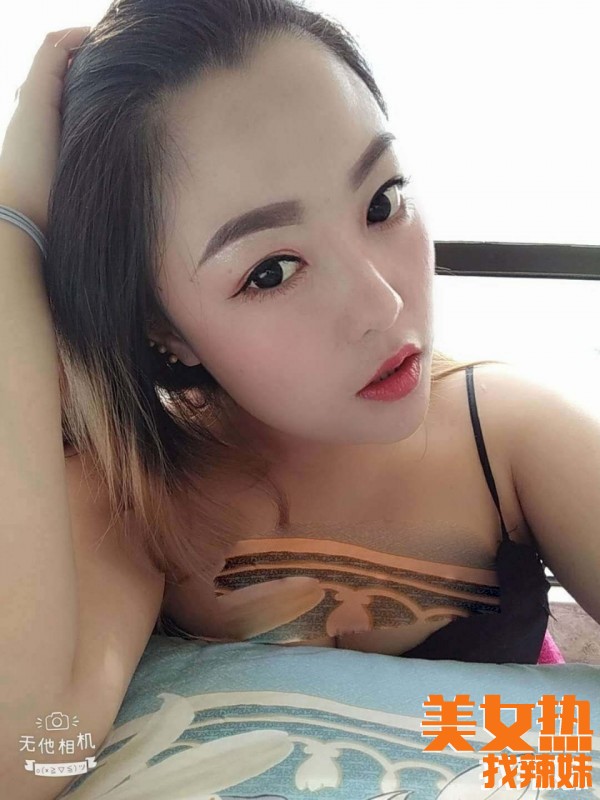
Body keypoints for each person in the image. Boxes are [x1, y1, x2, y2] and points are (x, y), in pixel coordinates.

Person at [1, 2, 599, 797]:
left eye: (382, 201)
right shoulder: (138, 491)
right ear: (162, 329)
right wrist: (12, 229)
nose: (383, 304)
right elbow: (27, 755)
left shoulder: (510, 433)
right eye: (271, 271)